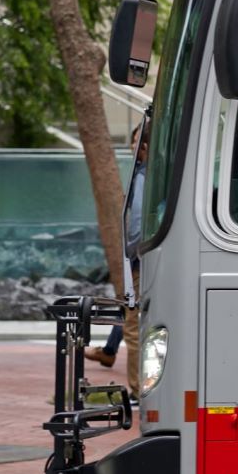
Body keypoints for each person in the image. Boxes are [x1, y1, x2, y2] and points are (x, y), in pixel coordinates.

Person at [85, 123, 146, 371]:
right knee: (129, 308)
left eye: (136, 142)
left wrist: (132, 248)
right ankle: (110, 350)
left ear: (145, 147)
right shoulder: (143, 174)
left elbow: (138, 219)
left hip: (140, 257)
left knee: (130, 316)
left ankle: (134, 388)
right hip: (142, 257)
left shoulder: (142, 175)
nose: (132, 147)